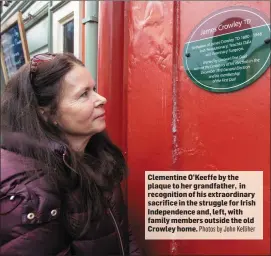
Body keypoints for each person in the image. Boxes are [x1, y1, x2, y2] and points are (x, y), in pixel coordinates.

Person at [0, 53, 142, 256]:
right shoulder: (27, 192)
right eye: (83, 94)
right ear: (47, 114)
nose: (101, 99)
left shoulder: (96, 160)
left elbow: (125, 238)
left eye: (94, 89)